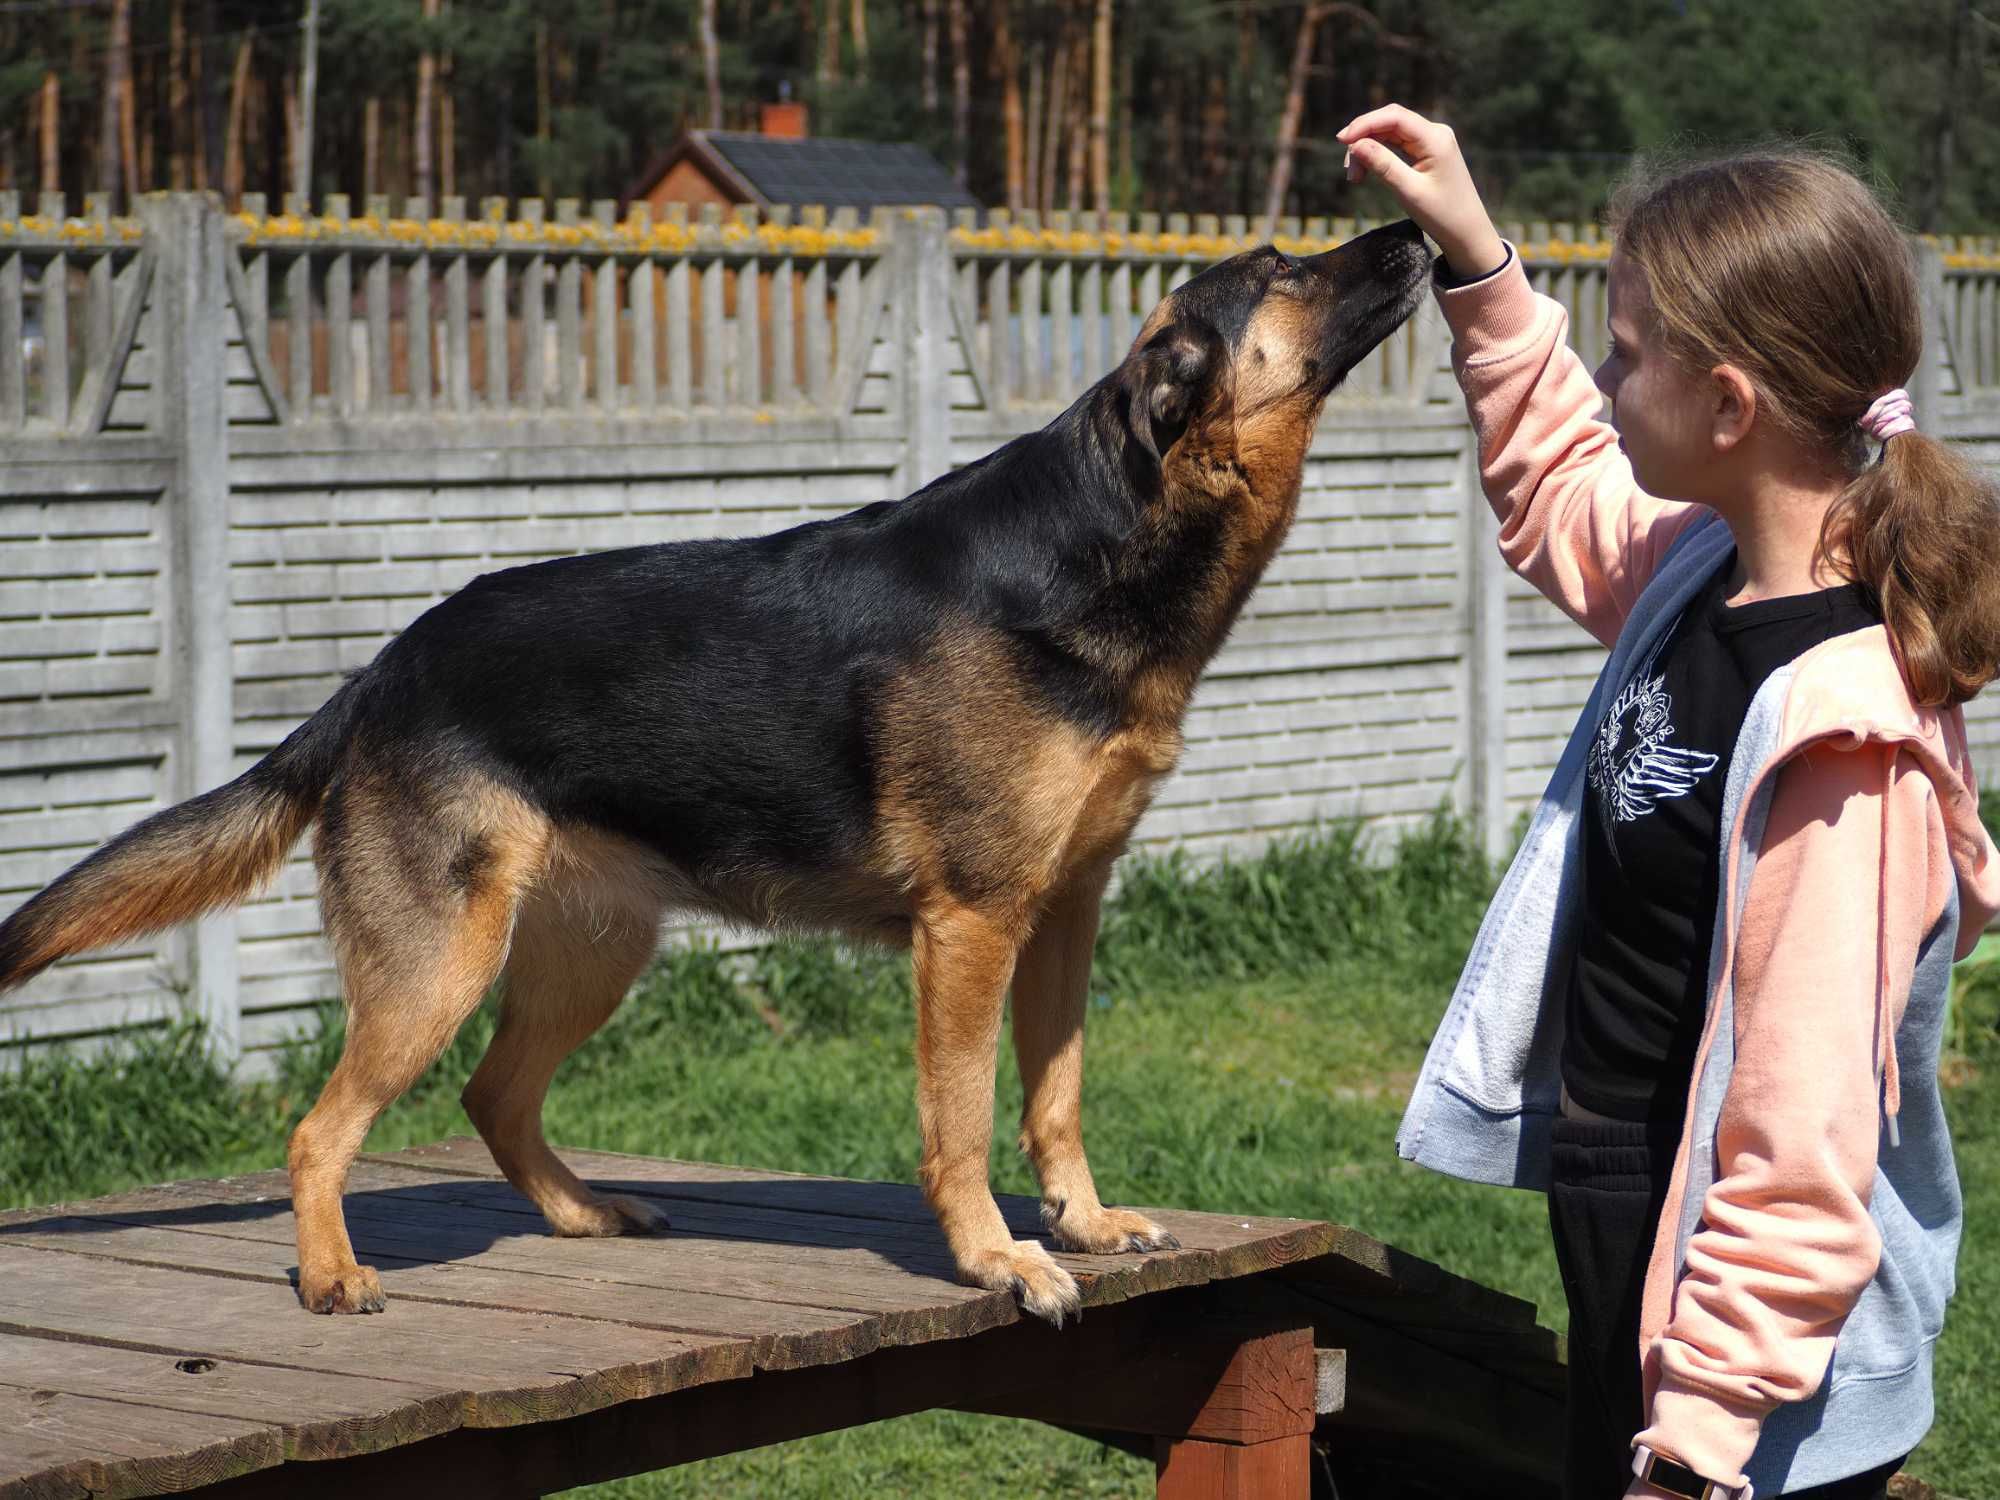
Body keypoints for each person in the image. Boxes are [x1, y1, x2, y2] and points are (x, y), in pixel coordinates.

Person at [1338, 104, 2000, 1500]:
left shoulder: (1845, 735)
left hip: (1752, 1376)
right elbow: (1559, 484)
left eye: (1625, 355)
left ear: (1730, 405)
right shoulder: (1702, 570)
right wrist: (1475, 259)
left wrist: (1699, 1444)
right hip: (1634, 1217)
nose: (1603, 376)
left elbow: (1803, 1136)